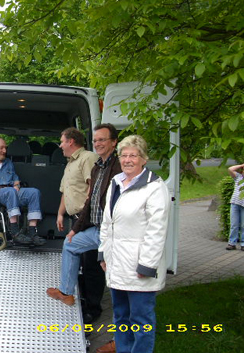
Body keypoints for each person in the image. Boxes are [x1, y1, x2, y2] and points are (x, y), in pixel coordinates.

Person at [98, 135, 170, 353]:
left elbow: (156, 231)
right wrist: (103, 253)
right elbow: (106, 223)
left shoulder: (155, 188)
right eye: (124, 155)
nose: (128, 159)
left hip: (139, 267)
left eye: (133, 155)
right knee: (120, 316)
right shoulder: (116, 183)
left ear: (144, 159)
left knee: (141, 319)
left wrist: (146, 265)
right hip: (116, 263)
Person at [51, 125, 120, 329]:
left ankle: (93, 309)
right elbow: (69, 191)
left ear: (71, 141)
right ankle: (68, 293)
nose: (60, 145)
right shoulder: (74, 163)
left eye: (62, 141)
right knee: (73, 249)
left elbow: (93, 192)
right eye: (96, 140)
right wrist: (61, 213)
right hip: (82, 220)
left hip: (94, 222)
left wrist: (83, 219)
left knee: (92, 268)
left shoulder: (90, 158)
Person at [226, 163, 244, 251]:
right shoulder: (238, 177)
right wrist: (242, 165)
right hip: (234, 204)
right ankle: (231, 243)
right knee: (234, 224)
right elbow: (230, 169)